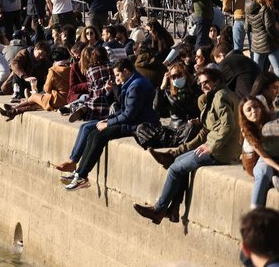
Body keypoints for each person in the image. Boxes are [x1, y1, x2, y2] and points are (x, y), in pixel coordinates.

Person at [135, 66, 242, 224]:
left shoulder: (220, 97)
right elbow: (207, 130)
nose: (203, 86)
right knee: (178, 163)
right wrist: (180, 150)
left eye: (206, 82)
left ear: (217, 81)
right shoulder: (216, 95)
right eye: (201, 83)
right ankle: (173, 209)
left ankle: (159, 209)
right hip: (220, 147)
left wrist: (211, 147)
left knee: (174, 169)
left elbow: (228, 126)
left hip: (221, 152)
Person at [55, 58, 159, 191]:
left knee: (98, 136)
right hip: (132, 120)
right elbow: (122, 107)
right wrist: (112, 95)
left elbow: (129, 115)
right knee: (92, 132)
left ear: (126, 71)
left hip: (137, 125)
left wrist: (108, 123)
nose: (116, 78)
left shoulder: (136, 86)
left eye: (117, 75)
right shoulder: (132, 82)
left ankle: (81, 176)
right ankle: (79, 174)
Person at [237, 96, 278, 209]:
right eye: (248, 110)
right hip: (265, 158)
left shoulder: (272, 118)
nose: (253, 111)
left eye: (256, 107)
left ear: (261, 107)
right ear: (243, 114)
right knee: (263, 173)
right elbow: (264, 157)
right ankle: (255, 211)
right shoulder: (247, 130)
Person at [246, 0, 279, 73]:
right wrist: (277, 37)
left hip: (256, 40)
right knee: (277, 68)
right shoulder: (266, 5)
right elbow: (270, 27)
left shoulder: (248, 1)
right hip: (269, 42)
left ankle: (256, 87)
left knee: (257, 69)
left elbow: (247, 26)